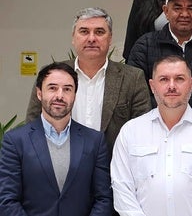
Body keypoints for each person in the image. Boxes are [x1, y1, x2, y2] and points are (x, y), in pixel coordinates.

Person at [111, 55, 192, 216]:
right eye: (163, 79)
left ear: (191, 84)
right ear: (152, 86)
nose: (171, 86)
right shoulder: (131, 132)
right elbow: (121, 187)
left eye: (179, 79)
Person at [26, 7, 151, 156]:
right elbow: (33, 125)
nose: (91, 38)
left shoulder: (132, 78)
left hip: (113, 171)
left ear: (110, 38)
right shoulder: (51, 76)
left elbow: (142, 130)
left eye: (99, 32)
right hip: (60, 168)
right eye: (84, 31)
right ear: (73, 37)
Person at [1, 62, 112, 215]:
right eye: (52, 88)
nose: (60, 95)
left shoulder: (94, 141)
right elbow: (7, 199)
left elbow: (104, 198)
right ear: (39, 93)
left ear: (74, 95)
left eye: (67, 89)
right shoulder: (15, 141)